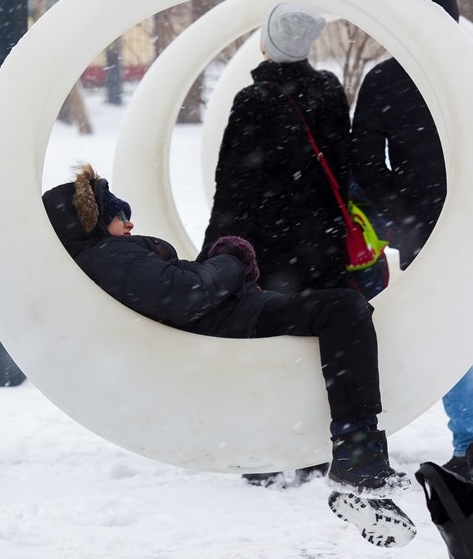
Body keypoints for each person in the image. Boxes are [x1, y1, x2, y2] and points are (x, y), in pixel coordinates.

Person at [41, 164, 416, 548]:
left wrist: (215, 263)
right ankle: (357, 451)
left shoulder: (110, 256)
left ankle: (358, 462)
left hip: (228, 318)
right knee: (344, 309)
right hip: (232, 323)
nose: (129, 223)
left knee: (339, 314)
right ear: (95, 220)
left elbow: (175, 290)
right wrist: (231, 262)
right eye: (120, 216)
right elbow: (184, 296)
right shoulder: (110, 255)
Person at [350, 0, 473, 479]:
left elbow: (365, 161)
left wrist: (401, 213)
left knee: (447, 331)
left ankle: (467, 442)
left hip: (425, 229)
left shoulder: (384, 79)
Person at [201, 2, 354, 487]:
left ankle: (267, 448)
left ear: (269, 43)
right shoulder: (329, 89)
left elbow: (234, 184)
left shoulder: (254, 99)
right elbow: (343, 166)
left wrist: (215, 250)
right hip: (322, 243)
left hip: (269, 246)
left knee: (264, 343)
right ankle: (314, 445)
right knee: (319, 342)